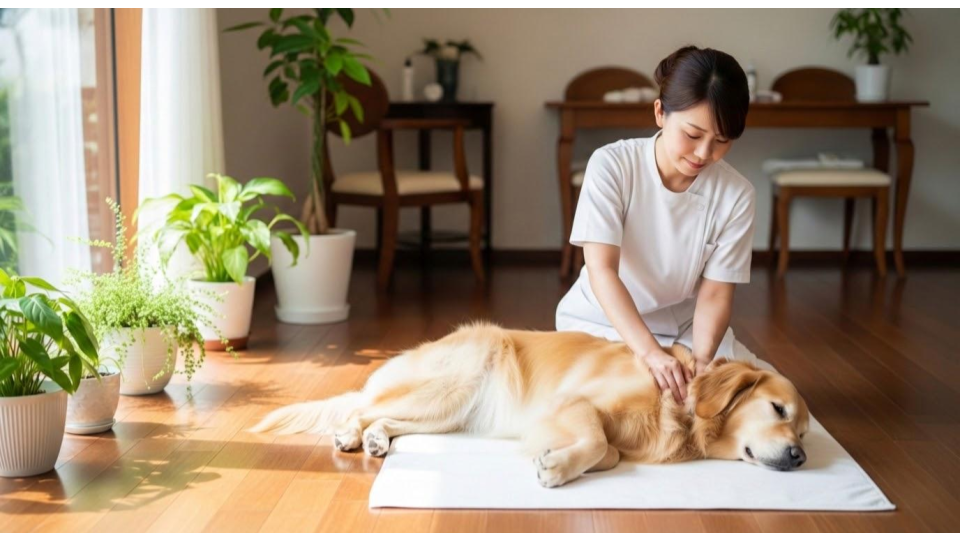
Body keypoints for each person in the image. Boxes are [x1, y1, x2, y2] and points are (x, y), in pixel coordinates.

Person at [556, 45, 756, 405]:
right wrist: (650, 354)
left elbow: (714, 293)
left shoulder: (737, 194)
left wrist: (702, 360)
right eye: (693, 135)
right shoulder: (612, 165)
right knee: (634, 401)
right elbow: (602, 270)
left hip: (685, 331)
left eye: (722, 141)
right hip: (602, 323)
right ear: (661, 112)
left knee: (752, 397)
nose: (703, 154)